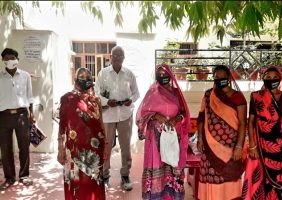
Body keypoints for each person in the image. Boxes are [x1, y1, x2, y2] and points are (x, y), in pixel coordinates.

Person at [136, 64, 190, 200]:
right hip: (155, 137)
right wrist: (154, 116)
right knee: (157, 163)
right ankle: (155, 195)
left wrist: (178, 118)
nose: (162, 77)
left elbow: (184, 113)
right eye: (159, 75)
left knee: (172, 163)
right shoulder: (152, 93)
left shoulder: (177, 93)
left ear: (170, 75)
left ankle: (172, 195)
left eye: (164, 74)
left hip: (173, 136)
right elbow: (142, 114)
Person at [242, 66, 282, 200]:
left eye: (275, 77)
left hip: (280, 146)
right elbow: (251, 122)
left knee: (279, 178)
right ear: (263, 79)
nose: (272, 80)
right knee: (260, 179)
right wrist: (252, 145)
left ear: (280, 78)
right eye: (268, 77)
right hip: (260, 144)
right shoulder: (256, 96)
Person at [197, 65, 247, 200]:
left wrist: (239, 147)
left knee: (230, 178)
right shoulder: (208, 95)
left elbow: (243, 123)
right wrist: (200, 138)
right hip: (209, 148)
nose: (219, 79)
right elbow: (201, 117)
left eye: (222, 77)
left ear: (229, 78)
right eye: (216, 77)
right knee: (211, 178)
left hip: (231, 148)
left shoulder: (238, 97)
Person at [57, 67, 106, 200]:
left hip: (95, 151)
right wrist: (60, 148)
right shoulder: (67, 99)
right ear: (75, 79)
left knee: (94, 184)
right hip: (74, 151)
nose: (86, 80)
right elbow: (62, 126)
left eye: (89, 78)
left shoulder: (96, 100)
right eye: (82, 77)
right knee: (76, 184)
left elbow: (101, 124)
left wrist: (106, 146)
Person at [95, 46, 140, 191]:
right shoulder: (103, 74)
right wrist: (107, 101)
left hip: (125, 114)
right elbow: (96, 94)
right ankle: (105, 176)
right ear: (110, 57)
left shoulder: (129, 74)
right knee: (106, 146)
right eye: (115, 56)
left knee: (125, 147)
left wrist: (130, 100)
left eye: (120, 56)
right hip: (108, 115)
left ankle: (125, 175)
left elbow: (136, 93)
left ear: (123, 58)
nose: (117, 58)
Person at [0, 48, 35, 190]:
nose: (10, 61)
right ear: (3, 61)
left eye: (13, 57)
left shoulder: (25, 76)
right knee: (6, 148)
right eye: (7, 58)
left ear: (17, 59)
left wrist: (31, 114)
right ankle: (9, 178)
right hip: (3, 116)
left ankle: (24, 175)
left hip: (22, 115)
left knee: (24, 146)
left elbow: (30, 96)